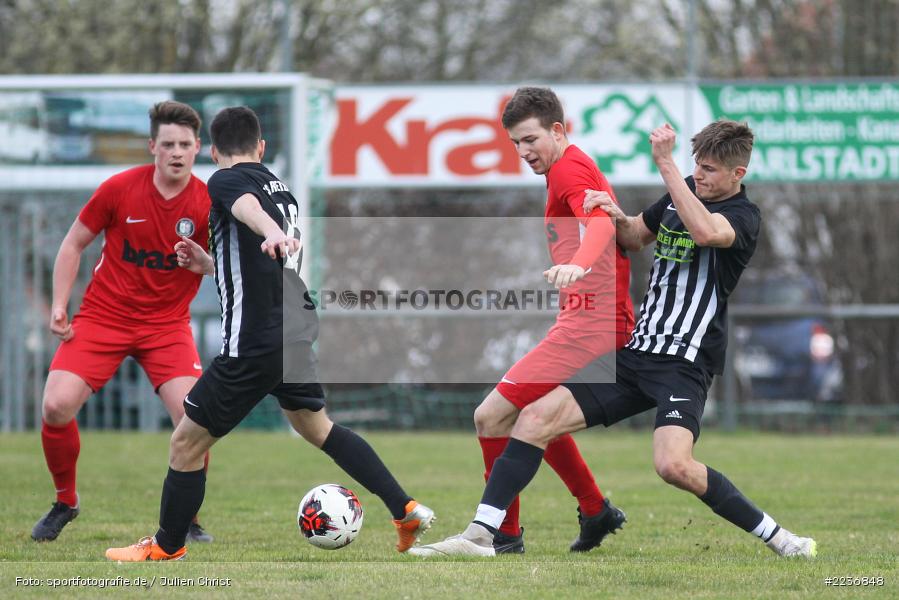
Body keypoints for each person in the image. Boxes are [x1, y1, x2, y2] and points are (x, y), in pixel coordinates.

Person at [411, 119, 818, 558]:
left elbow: (706, 232)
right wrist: (613, 212)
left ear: (738, 175)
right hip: (637, 353)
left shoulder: (744, 216)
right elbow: (634, 237)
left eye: (711, 170)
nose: (699, 175)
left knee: (673, 466)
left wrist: (663, 164)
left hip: (684, 363)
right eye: (697, 165)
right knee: (534, 418)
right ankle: (484, 535)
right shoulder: (683, 188)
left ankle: (782, 540)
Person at [104, 106, 434, 561]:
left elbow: (248, 212)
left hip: (255, 341)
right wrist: (210, 262)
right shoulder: (284, 191)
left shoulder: (224, 180)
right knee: (318, 428)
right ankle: (405, 509)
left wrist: (270, 230)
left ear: (214, 150)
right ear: (261, 146)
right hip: (294, 332)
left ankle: (166, 546)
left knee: (185, 441)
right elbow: (256, 257)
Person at [32, 101, 214, 544]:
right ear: (152, 146)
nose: (176, 152)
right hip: (104, 318)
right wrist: (60, 304)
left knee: (196, 419)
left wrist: (201, 261)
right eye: (167, 143)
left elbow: (221, 268)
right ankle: (65, 502)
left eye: (185, 145)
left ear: (198, 149)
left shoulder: (210, 202)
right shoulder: (119, 188)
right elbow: (74, 243)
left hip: (167, 326)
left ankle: (185, 518)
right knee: (55, 406)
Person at [472, 87, 634, 554]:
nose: (523, 153)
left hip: (591, 328)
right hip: (585, 321)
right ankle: (595, 509)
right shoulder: (568, 165)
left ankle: (501, 537)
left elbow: (601, 223)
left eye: (530, 140)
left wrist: (580, 264)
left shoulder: (568, 167)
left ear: (558, 131)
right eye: (515, 145)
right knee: (531, 417)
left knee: (491, 415)